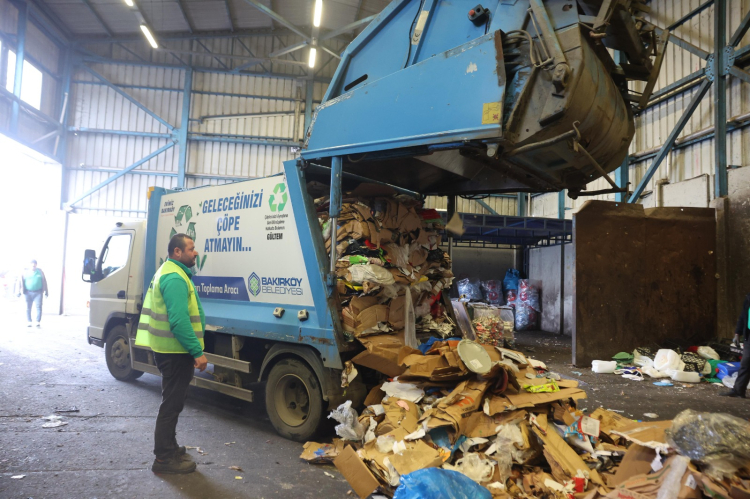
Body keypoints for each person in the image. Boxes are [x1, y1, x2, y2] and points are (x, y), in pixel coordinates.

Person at [135, 233, 209, 474]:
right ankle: (164, 458)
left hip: (170, 352)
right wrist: (197, 352)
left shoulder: (169, 272)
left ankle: (169, 447)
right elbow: (178, 321)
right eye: (191, 248)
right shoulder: (175, 277)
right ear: (177, 252)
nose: (195, 252)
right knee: (171, 405)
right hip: (175, 353)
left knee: (172, 404)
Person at [720, 294, 750, 398]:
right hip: (749, 336)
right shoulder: (748, 299)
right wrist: (737, 333)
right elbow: (743, 317)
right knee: (746, 363)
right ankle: (738, 390)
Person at [16, 260, 48, 328]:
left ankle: (37, 321)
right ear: (29, 265)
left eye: (34, 265)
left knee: (39, 307)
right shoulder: (25, 272)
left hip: (38, 293)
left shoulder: (40, 272)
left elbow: (44, 281)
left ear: (36, 265)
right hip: (28, 293)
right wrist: (18, 291)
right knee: (28, 307)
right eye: (32, 265)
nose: (33, 266)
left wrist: (46, 291)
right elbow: (20, 282)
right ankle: (29, 321)